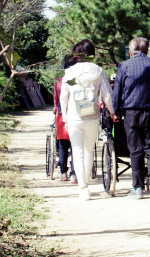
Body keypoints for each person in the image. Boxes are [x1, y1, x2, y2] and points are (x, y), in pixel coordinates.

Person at [60, 40, 115, 201]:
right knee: (88, 150)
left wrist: (65, 117)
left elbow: (64, 96)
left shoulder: (70, 72)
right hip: (92, 115)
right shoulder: (98, 71)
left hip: (74, 116)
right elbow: (107, 95)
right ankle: (86, 182)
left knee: (77, 151)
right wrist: (112, 112)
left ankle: (83, 187)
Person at [112, 37, 150, 200]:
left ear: (130, 52)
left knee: (135, 149)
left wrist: (116, 111)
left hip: (131, 111)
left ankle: (138, 187)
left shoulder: (124, 66)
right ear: (147, 51)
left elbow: (117, 91)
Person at [53, 55, 77, 183]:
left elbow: (56, 99)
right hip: (74, 114)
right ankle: (74, 173)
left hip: (61, 115)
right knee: (74, 144)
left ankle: (63, 172)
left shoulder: (58, 81)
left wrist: (56, 108)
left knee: (62, 144)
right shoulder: (75, 80)